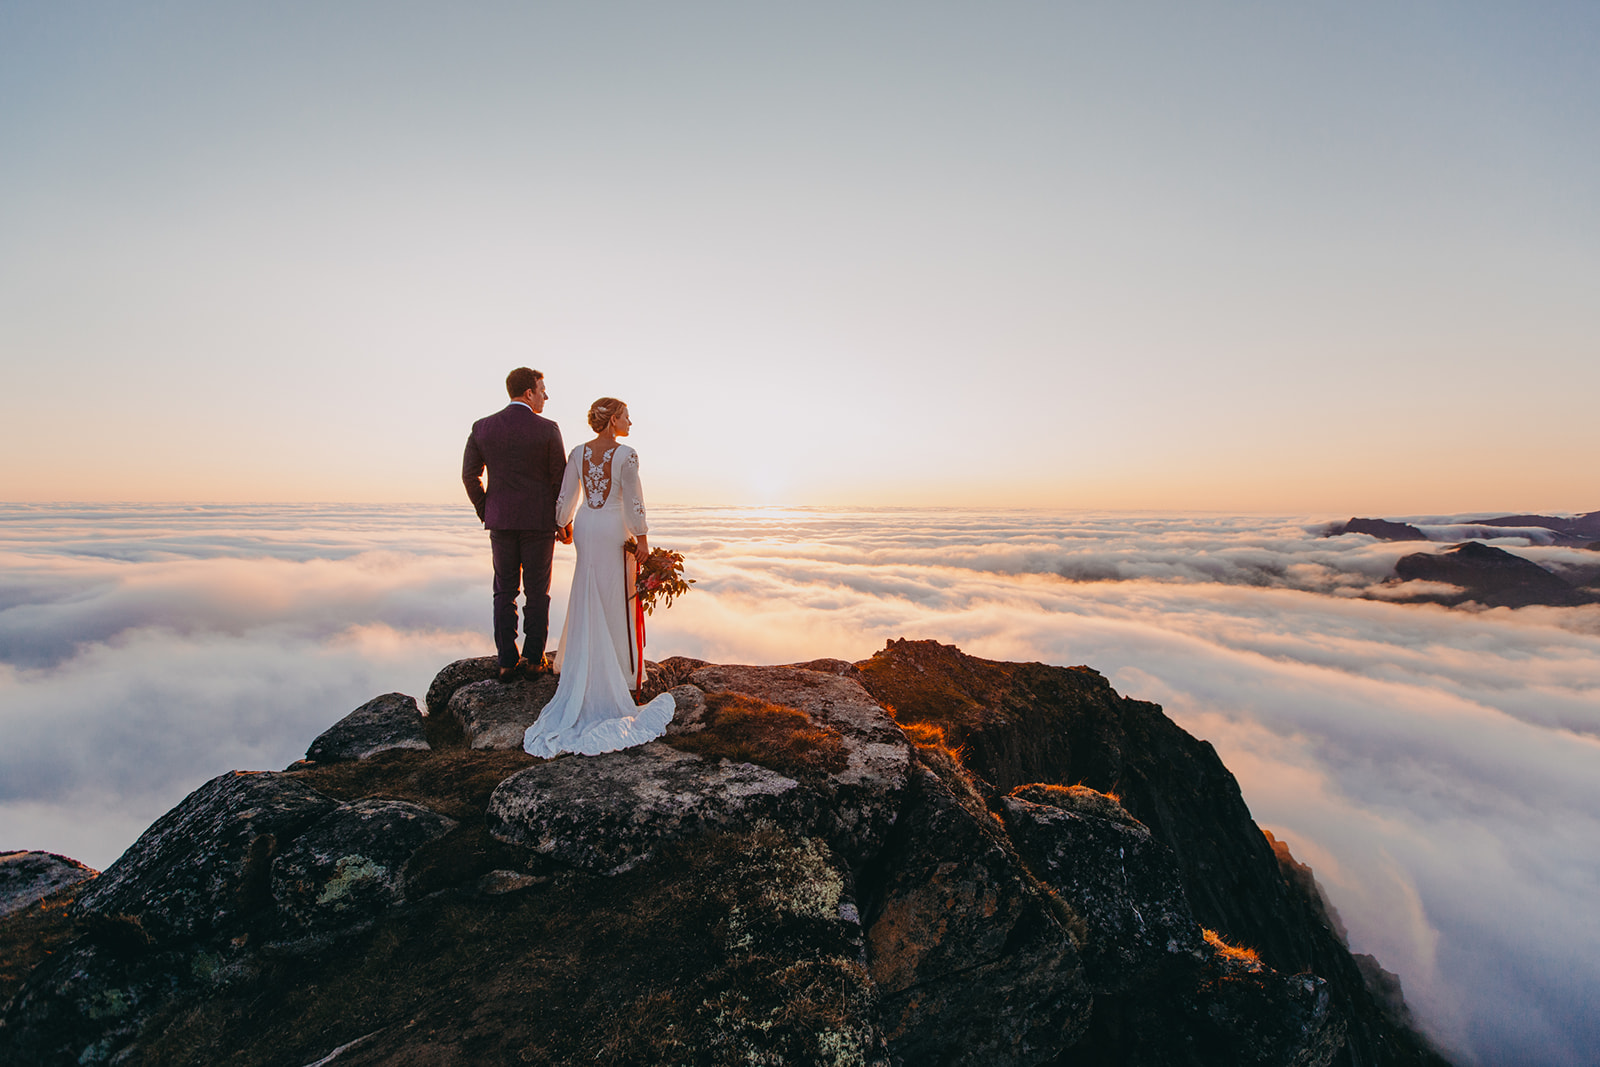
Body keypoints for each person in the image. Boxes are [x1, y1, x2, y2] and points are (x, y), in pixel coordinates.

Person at [524, 397, 676, 757]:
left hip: (589, 527)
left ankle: (586, 664)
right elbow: (633, 501)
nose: (630, 422)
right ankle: (622, 676)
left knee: (588, 588)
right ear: (612, 422)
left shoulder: (577, 452)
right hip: (613, 528)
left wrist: (563, 524)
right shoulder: (627, 455)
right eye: (626, 416)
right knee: (617, 593)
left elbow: (566, 498)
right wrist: (642, 538)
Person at [462, 367, 571, 683]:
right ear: (528, 393)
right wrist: (563, 522)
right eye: (542, 390)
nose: (545, 396)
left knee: (504, 591)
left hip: (501, 521)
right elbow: (558, 480)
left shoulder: (483, 427)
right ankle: (535, 659)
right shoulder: (548, 429)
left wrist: (487, 510)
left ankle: (507, 661)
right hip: (539, 523)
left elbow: (470, 475)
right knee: (538, 593)